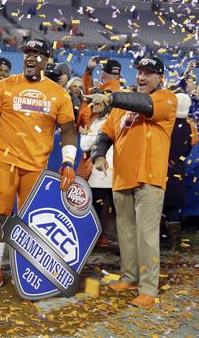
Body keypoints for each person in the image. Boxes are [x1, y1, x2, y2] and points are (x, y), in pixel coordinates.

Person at [0, 39, 77, 293]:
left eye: (37, 53)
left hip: (36, 164)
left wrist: (68, 161)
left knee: (33, 220)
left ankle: (31, 270)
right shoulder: (3, 86)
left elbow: (68, 130)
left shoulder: (59, 93)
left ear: (47, 59)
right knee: (0, 214)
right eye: (27, 53)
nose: (30, 58)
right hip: (4, 160)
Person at [90, 55, 177, 308]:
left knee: (146, 234)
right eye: (139, 71)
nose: (141, 77)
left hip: (149, 177)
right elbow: (105, 134)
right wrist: (98, 156)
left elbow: (145, 104)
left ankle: (148, 289)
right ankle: (129, 277)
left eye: (148, 73)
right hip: (122, 178)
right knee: (125, 233)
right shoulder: (120, 108)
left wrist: (111, 97)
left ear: (159, 77)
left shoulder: (166, 99)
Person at [79, 99, 116, 247]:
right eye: (93, 103)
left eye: (99, 103)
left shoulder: (101, 122)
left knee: (98, 208)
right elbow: (85, 145)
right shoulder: (98, 121)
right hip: (107, 173)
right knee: (107, 209)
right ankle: (103, 238)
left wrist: (88, 134)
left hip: (103, 172)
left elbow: (85, 144)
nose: (94, 105)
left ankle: (96, 238)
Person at [162, 93, 196, 252]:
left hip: (161, 168)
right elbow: (189, 147)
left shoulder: (165, 124)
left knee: (157, 206)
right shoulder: (191, 127)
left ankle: (155, 242)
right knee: (173, 207)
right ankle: (174, 244)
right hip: (178, 170)